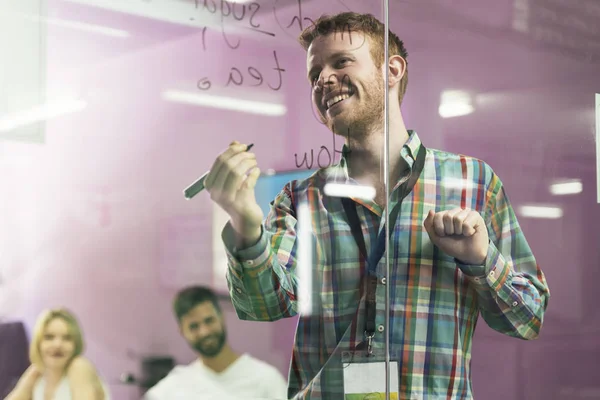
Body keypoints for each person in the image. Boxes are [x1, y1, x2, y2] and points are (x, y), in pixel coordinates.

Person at [204, 12, 550, 400]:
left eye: (341, 62)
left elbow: (528, 318)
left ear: (392, 69)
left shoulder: (473, 182)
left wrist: (481, 260)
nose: (323, 79)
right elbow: (264, 306)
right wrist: (247, 226)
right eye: (314, 72)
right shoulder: (300, 198)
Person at [144, 285, 288, 400]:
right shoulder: (172, 389)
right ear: (182, 331)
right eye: (194, 326)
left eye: (209, 321)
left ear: (221, 317)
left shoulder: (266, 380)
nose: (204, 332)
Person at [5, 308, 110, 400]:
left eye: (67, 338)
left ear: (76, 344)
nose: (57, 345)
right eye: (49, 337)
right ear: (38, 343)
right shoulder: (36, 373)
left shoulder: (79, 366)